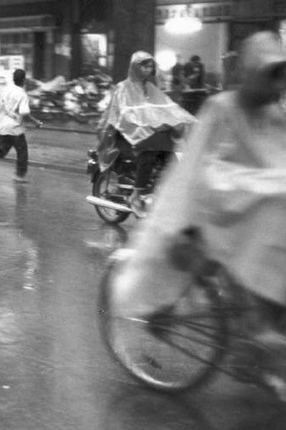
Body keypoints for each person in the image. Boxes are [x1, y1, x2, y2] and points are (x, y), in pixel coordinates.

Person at [113, 31, 286, 399]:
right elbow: (196, 171)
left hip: (254, 213)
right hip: (220, 212)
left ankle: (262, 346)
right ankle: (254, 345)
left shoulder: (272, 112)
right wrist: (255, 185)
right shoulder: (222, 108)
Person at [97, 51, 196, 216]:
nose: (148, 69)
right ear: (135, 67)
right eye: (144, 66)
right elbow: (121, 116)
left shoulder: (151, 88)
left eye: (150, 66)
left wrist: (180, 120)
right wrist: (140, 126)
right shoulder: (123, 88)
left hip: (146, 134)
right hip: (123, 135)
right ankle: (136, 196)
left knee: (171, 152)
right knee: (148, 153)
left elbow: (167, 108)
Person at [0, 69, 42, 183]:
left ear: (13, 79)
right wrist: (36, 122)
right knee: (22, 151)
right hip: (15, 130)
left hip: (0, 128)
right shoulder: (22, 94)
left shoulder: (4, 90)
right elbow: (24, 113)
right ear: (24, 80)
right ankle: (19, 176)